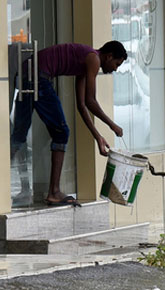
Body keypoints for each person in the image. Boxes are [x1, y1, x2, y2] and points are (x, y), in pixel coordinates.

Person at [10, 41, 127, 206]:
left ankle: (24, 189)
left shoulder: (87, 61)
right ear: (108, 56)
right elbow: (91, 100)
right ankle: (54, 192)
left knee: (19, 136)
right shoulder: (93, 59)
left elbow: (82, 105)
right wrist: (112, 125)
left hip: (26, 73)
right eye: (117, 64)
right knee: (61, 132)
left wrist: (97, 137)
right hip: (37, 76)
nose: (115, 69)